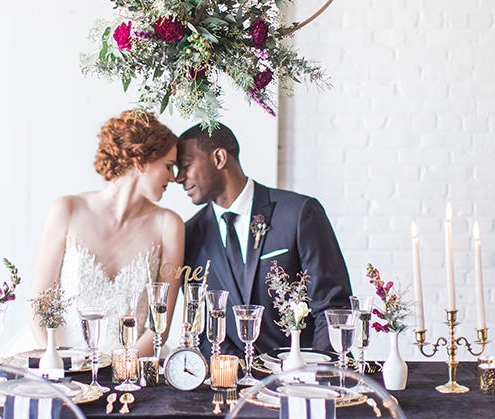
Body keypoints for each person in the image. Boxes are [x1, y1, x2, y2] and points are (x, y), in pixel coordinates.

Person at [176, 123, 351, 357]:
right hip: (233, 383)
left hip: (302, 374)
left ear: (219, 158)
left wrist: (314, 374)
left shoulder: (298, 213)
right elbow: (202, 323)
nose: (178, 178)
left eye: (186, 166)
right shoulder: (189, 235)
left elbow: (332, 305)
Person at [30, 111, 184, 356]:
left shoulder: (169, 225)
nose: (175, 178)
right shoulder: (67, 210)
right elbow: (39, 309)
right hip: (62, 363)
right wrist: (58, 364)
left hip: (134, 369)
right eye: (168, 166)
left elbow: (159, 326)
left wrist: (121, 368)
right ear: (140, 160)